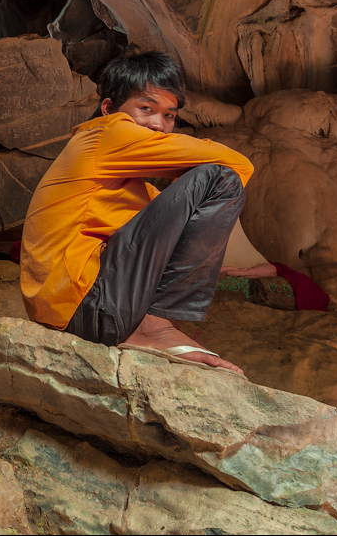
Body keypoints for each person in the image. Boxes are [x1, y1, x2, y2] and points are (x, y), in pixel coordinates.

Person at [19, 51, 253, 376]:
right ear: (109, 108)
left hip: (80, 316)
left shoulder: (129, 186)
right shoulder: (108, 133)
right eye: (147, 108)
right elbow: (238, 166)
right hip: (86, 308)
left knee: (198, 194)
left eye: (170, 116)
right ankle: (156, 329)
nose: (159, 124)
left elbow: (170, 229)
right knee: (218, 178)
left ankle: (153, 329)